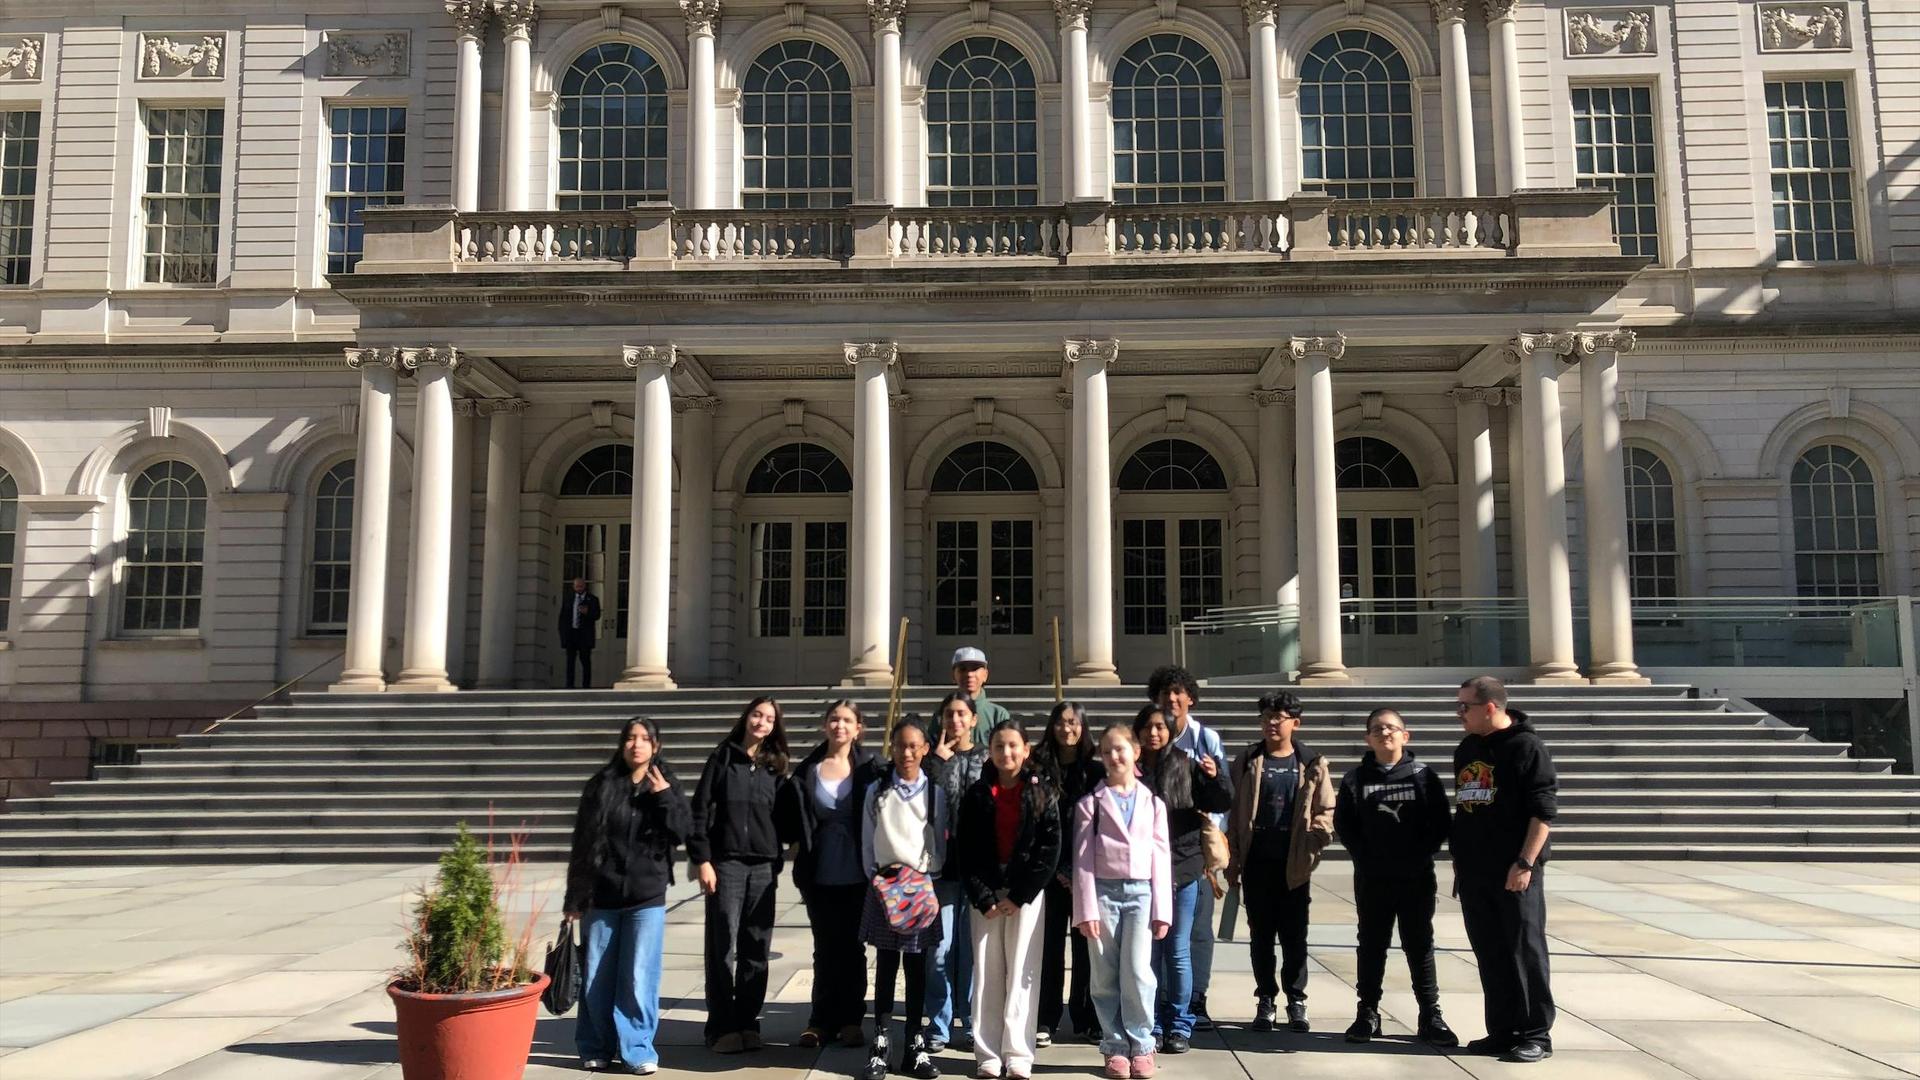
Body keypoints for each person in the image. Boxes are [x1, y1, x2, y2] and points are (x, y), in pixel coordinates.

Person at [564, 716, 692, 1076]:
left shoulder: (665, 785)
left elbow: (683, 831)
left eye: (644, 738)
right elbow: (583, 844)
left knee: (639, 976)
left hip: (645, 897)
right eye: (630, 738)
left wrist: (663, 796)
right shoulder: (601, 785)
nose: (637, 744)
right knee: (596, 976)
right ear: (622, 745)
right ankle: (595, 1046)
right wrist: (574, 898)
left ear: (656, 746)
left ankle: (637, 1049)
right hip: (601, 897)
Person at [1333, 707, 1457, 1047]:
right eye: (1376, 729)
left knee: (1419, 945)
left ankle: (1430, 1014)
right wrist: (1366, 856)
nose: (1384, 733)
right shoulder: (1355, 779)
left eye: (1391, 728)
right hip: (1373, 878)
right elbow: (1344, 825)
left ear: (1406, 735)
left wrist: (1419, 854)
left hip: (1415, 877)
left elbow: (1440, 822)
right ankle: (1367, 1013)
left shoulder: (1422, 775)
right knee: (1371, 945)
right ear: (1367, 739)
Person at [1452, 676, 1558, 1064]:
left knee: (1524, 950)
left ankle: (1536, 1034)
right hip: (1475, 872)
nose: (1458, 713)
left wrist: (1525, 862)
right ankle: (1502, 1029)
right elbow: (1466, 808)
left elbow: (1542, 811)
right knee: (1490, 952)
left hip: (1515, 870)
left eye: (1465, 706)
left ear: (1491, 707)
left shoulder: (1527, 747)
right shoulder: (1467, 748)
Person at [956, 719, 1061, 1080]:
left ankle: (1017, 1052)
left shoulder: (1042, 792)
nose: (1007, 753)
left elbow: (1049, 849)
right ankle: (986, 1053)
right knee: (987, 974)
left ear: (1026, 750)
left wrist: (1020, 895)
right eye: (1000, 746)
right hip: (985, 898)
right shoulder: (978, 793)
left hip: (1024, 898)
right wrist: (983, 896)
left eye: (1014, 745)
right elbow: (965, 849)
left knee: (1022, 973)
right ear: (991, 751)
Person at [1223, 691, 1334, 1034]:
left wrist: (1314, 842)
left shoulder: (1312, 761)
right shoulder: (1247, 760)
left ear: (1295, 723)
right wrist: (1233, 859)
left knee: (1294, 936)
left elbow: (1325, 810)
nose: (1272, 722)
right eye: (1267, 716)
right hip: (1258, 862)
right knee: (1261, 938)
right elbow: (1233, 811)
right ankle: (1266, 999)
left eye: (1280, 717)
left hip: (1294, 865)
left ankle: (1296, 1000)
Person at [777, 699, 883, 1050]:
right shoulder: (808, 769)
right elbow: (790, 817)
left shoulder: (870, 768)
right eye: (834, 719)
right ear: (825, 726)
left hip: (858, 871)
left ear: (858, 728)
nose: (840, 726)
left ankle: (852, 1019)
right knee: (824, 948)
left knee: (853, 948)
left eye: (847, 720)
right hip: (818, 870)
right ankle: (820, 1020)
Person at [688, 696, 790, 1053]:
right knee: (722, 947)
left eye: (768, 718)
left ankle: (748, 1022)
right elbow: (698, 810)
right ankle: (720, 1025)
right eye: (756, 715)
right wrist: (702, 860)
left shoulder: (776, 766)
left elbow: (784, 817)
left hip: (763, 864)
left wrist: (782, 855)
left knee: (756, 947)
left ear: (775, 726)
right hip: (726, 863)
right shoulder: (722, 757)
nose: (761, 722)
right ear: (746, 717)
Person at [1132, 703, 1231, 1054]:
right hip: (1142, 874)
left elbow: (1222, 800)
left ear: (1171, 731)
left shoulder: (1187, 765)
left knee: (1177, 950)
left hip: (1183, 870)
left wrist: (1215, 774)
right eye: (1147, 727)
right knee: (1149, 952)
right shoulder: (1132, 770)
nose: (1154, 733)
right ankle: (1153, 1022)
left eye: (1160, 726)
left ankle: (1180, 1023)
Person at [1074, 723, 1172, 1080]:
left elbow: (1161, 857)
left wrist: (1163, 909)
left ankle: (1142, 1043)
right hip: (1103, 893)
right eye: (1107, 750)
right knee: (1103, 974)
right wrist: (1085, 910)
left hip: (1141, 894)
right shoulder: (1091, 805)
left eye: (1121, 748)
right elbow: (1082, 860)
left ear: (1135, 752)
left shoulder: (1153, 803)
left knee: (1138, 971)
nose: (1114, 756)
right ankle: (1114, 1045)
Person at [861, 718, 947, 1080]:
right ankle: (881, 1043)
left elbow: (939, 840)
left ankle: (915, 1042)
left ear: (925, 749)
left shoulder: (934, 792)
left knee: (916, 968)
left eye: (914, 745)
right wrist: (877, 877)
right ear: (891, 747)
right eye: (900, 745)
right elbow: (867, 837)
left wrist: (927, 878)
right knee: (884, 966)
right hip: (885, 885)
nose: (907, 752)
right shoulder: (877, 790)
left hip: (919, 886)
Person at [1034, 701, 1101, 1046]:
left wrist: (1076, 871)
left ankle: (1085, 1017)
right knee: (1049, 950)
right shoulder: (1040, 766)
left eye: (1074, 723)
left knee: (1085, 949)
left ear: (1083, 727)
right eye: (1060, 723)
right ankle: (1046, 1018)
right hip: (1047, 875)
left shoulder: (1095, 771)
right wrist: (1056, 869)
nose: (1067, 729)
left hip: (1085, 875)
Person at [924, 691, 987, 1052]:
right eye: (950, 714)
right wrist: (939, 762)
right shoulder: (934, 758)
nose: (956, 721)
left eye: (962, 714)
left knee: (973, 951)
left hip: (977, 868)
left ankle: (971, 1019)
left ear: (974, 719)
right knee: (940, 949)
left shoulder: (984, 756)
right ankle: (939, 1022)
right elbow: (927, 800)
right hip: (942, 869)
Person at [951, 647, 1011, 744]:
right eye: (963, 669)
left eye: (975, 668)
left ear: (985, 675)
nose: (969, 674)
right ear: (953, 675)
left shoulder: (998, 715)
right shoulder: (944, 715)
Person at [557, 577, 602, 688]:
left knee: (585, 661)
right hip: (571, 634)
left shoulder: (592, 599)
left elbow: (597, 615)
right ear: (573, 587)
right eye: (576, 586)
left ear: (584, 586)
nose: (579, 588)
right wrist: (563, 635)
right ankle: (569, 685)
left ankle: (586, 686)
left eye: (581, 586)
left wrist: (587, 612)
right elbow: (562, 618)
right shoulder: (568, 599)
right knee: (570, 661)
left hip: (584, 636)